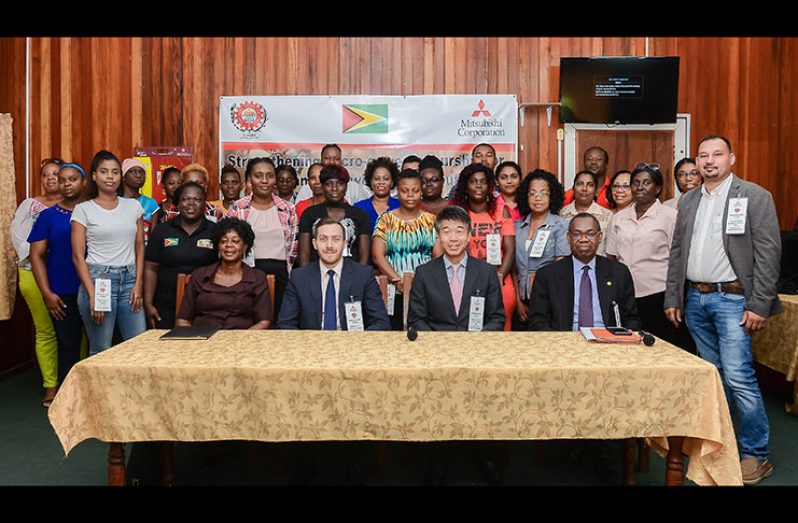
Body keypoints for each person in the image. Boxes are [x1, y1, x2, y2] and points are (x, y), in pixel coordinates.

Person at [664, 135, 782, 485]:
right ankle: (722, 446)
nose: (710, 161)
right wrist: (674, 297)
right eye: (703, 156)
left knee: (739, 377)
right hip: (696, 300)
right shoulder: (688, 200)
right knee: (713, 378)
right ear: (696, 162)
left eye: (717, 154)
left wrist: (759, 303)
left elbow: (768, 253)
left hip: (734, 301)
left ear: (732, 157)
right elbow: (677, 252)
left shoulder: (755, 196)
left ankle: (755, 454)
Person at [71, 150, 147, 355]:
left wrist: (138, 284)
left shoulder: (133, 206)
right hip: (99, 280)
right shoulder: (83, 209)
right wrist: (92, 294)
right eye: (104, 172)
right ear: (95, 176)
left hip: (130, 280)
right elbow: (78, 256)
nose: (110, 177)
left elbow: (140, 247)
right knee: (101, 349)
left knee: (139, 347)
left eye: (115, 172)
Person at [605, 164, 686, 348]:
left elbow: (678, 261)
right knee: (626, 348)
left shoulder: (671, 216)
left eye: (647, 183)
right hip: (624, 296)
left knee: (659, 348)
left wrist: (675, 298)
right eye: (636, 183)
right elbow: (611, 258)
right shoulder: (619, 218)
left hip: (658, 295)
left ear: (657, 188)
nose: (640, 187)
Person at [26, 162, 85, 407]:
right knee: (68, 345)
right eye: (62, 180)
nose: (67, 183)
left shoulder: (94, 210)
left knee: (97, 344)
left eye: (72, 179)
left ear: (84, 182)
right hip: (62, 289)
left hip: (96, 287)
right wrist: (47, 293)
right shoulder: (47, 216)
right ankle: (69, 399)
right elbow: (36, 255)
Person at [528, 213, 641, 332]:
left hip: (608, 343)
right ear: (568, 238)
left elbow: (631, 319)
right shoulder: (547, 275)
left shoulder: (618, 272)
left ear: (600, 237)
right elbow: (538, 321)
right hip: (565, 343)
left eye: (590, 234)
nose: (583, 239)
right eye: (577, 234)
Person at [277, 217, 389, 330]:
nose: (329, 246)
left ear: (344, 244)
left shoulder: (363, 275)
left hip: (352, 344)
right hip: (312, 344)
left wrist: (357, 343)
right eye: (323, 239)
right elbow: (285, 324)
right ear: (314, 244)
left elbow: (380, 322)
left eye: (336, 239)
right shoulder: (299, 277)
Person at [12, 158, 62, 407]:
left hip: (65, 274)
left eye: (56, 173)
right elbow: (19, 240)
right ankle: (50, 386)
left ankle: (74, 382)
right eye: (45, 175)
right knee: (45, 330)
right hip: (32, 273)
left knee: (77, 329)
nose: (51, 178)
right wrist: (45, 257)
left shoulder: (76, 206)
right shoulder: (29, 206)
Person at [407, 206, 505, 331]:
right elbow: (416, 319)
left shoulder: (486, 272)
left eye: (459, 231)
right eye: (446, 232)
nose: (453, 238)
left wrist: (478, 342)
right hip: (437, 345)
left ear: (469, 235)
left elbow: (497, 319)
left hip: (476, 345)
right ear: (438, 235)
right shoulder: (424, 273)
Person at [226, 157, 299, 319]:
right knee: (248, 323)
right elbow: (228, 245)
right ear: (249, 179)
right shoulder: (237, 208)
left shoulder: (288, 208)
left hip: (280, 276)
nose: (264, 181)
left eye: (269, 176)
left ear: (275, 179)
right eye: (258, 176)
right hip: (246, 275)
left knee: (278, 323)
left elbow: (294, 248)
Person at [372, 169, 443, 330]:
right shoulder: (385, 219)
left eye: (415, 190)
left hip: (424, 292)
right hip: (392, 291)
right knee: (393, 338)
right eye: (405, 191)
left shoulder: (431, 220)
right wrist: (398, 281)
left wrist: (416, 284)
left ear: (421, 192)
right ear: (397, 191)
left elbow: (438, 257)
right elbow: (377, 255)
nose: (410, 195)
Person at [144, 182, 219, 329]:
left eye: (197, 199)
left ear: (204, 203)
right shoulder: (162, 230)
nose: (191, 204)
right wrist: (148, 303)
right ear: (178, 203)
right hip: (165, 304)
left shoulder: (215, 231)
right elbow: (150, 268)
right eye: (185, 199)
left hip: (205, 304)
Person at [450, 163, 516, 331]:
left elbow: (509, 250)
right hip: (465, 281)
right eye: (473, 181)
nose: (478, 185)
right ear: (465, 186)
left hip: (500, 281)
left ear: (489, 187)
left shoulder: (502, 212)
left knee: (500, 333)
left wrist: (498, 277)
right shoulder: (457, 214)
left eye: (483, 181)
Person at [177, 218, 272, 330]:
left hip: (243, 342)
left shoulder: (257, 278)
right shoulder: (200, 276)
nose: (228, 245)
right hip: (203, 341)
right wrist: (196, 342)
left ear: (245, 247)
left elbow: (264, 321)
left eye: (235, 241)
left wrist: (242, 341)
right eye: (223, 241)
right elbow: (183, 319)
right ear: (218, 245)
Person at [513, 169, 570, 329]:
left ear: (552, 197)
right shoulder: (517, 227)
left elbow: (561, 268)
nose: (538, 198)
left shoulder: (561, 226)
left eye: (544, 193)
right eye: (533, 193)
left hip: (549, 298)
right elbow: (512, 269)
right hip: (521, 300)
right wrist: (517, 301)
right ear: (526, 196)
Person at [297, 164, 372, 267]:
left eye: (340, 183)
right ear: (323, 187)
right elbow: (304, 257)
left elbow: (364, 257)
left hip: (352, 276)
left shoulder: (360, 215)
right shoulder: (309, 214)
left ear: (346, 187)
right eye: (329, 184)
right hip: (316, 276)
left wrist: (357, 280)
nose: (334, 188)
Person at [559, 171, 614, 255]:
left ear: (596, 191)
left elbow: (610, 250)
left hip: (599, 266)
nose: (584, 188)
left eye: (590, 185)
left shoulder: (607, 215)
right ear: (573, 189)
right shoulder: (561, 214)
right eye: (580, 184)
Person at [295, 144, 371, 203]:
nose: (331, 162)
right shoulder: (307, 189)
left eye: (336, 159)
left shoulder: (353, 188)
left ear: (341, 162)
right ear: (321, 160)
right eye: (327, 158)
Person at [119, 158, 159, 243]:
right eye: (133, 171)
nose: (138, 175)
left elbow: (153, 237)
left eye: (141, 172)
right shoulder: (115, 201)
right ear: (123, 177)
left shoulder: (151, 203)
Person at [354, 157, 400, 230]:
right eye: (377, 179)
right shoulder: (359, 207)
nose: (381, 182)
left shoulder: (401, 206)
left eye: (386, 179)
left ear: (392, 182)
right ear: (370, 182)